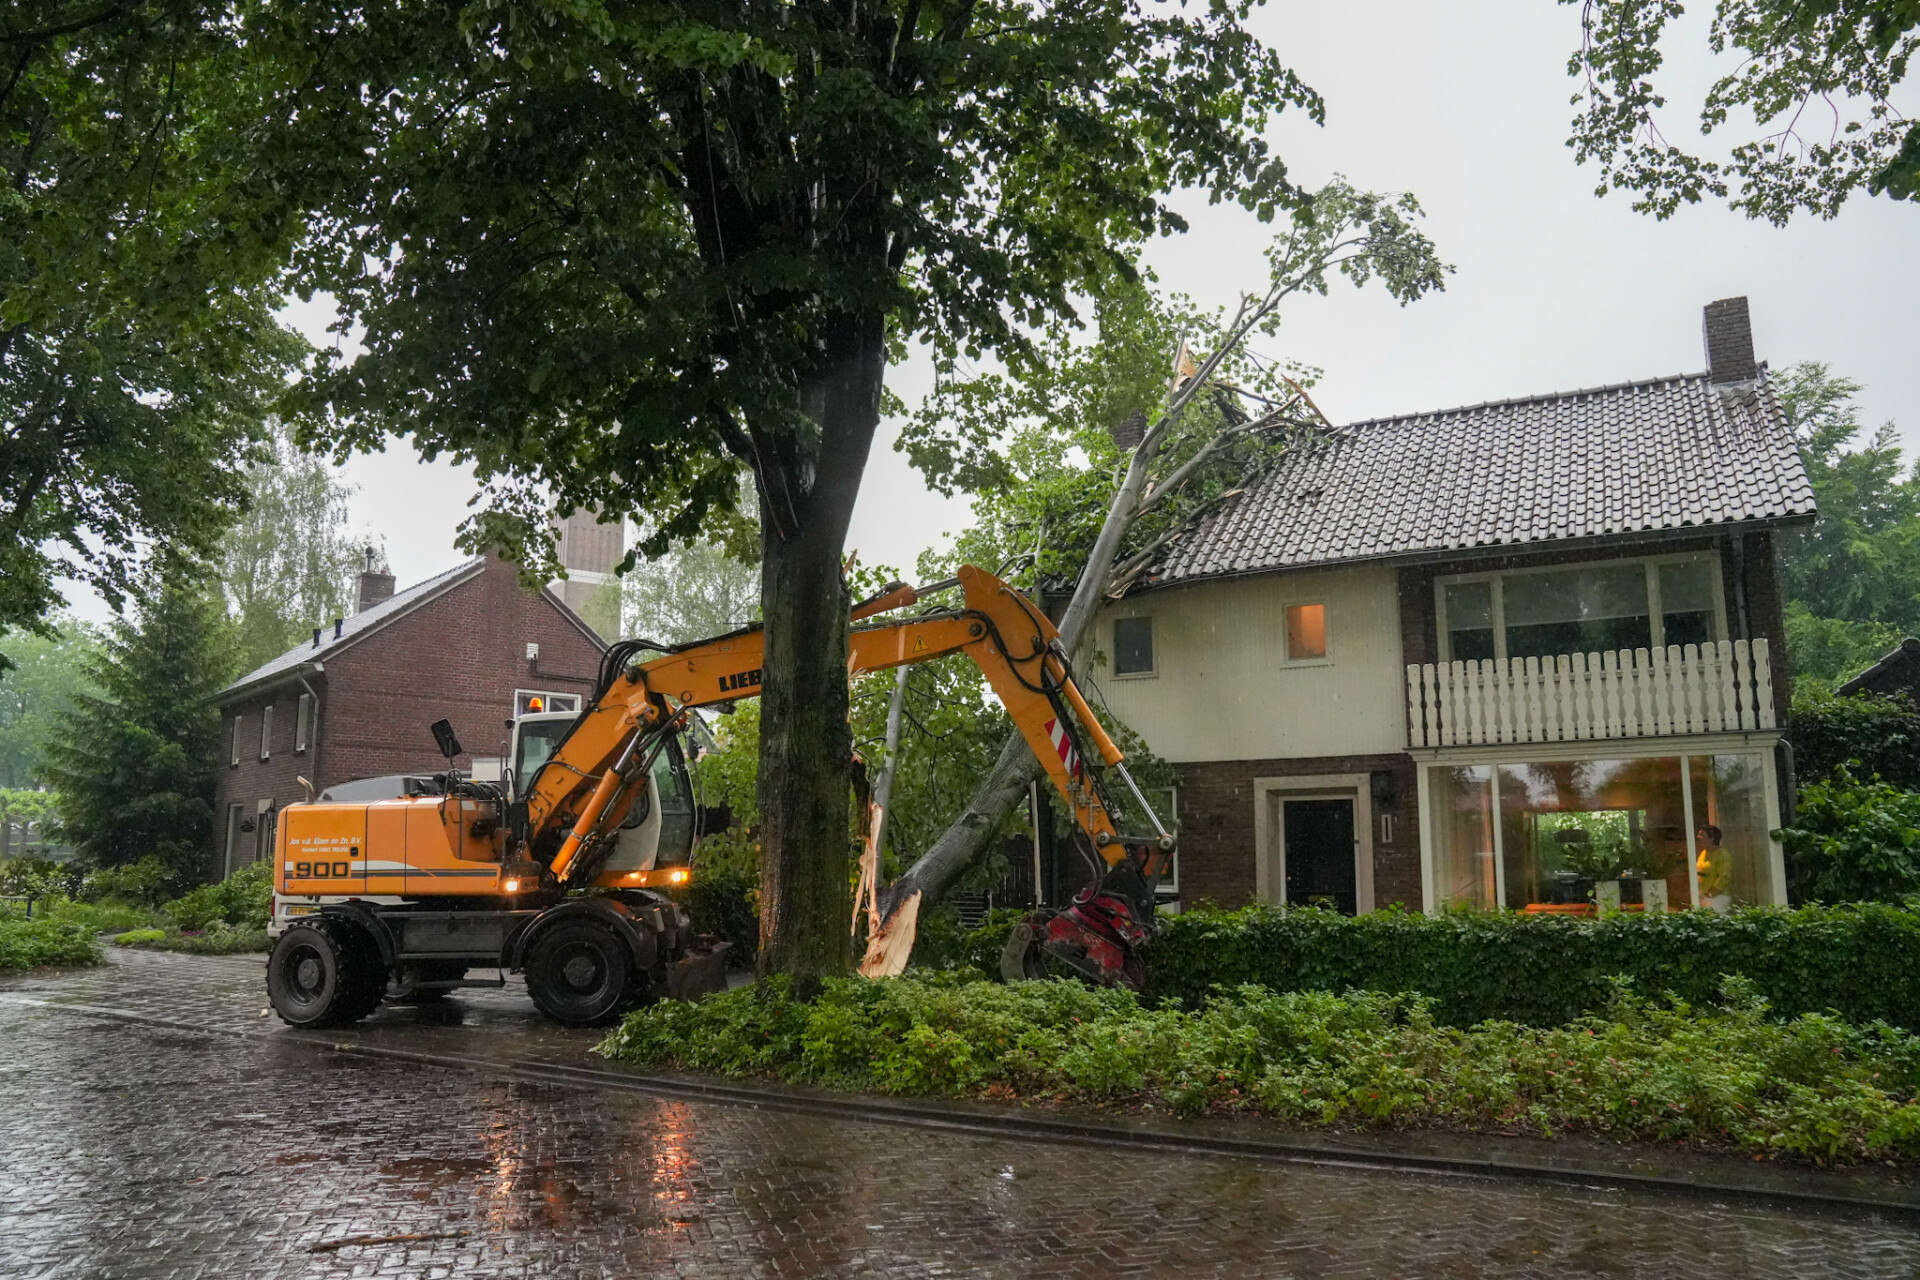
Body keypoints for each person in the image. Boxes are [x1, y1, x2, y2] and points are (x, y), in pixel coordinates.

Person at [1695, 823, 1732, 912]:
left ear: (1712, 839)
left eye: (1702, 835)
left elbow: (1724, 877)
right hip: (1704, 896)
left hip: (1717, 898)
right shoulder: (1704, 853)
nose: (1698, 837)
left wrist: (1711, 893)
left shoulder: (1722, 855)